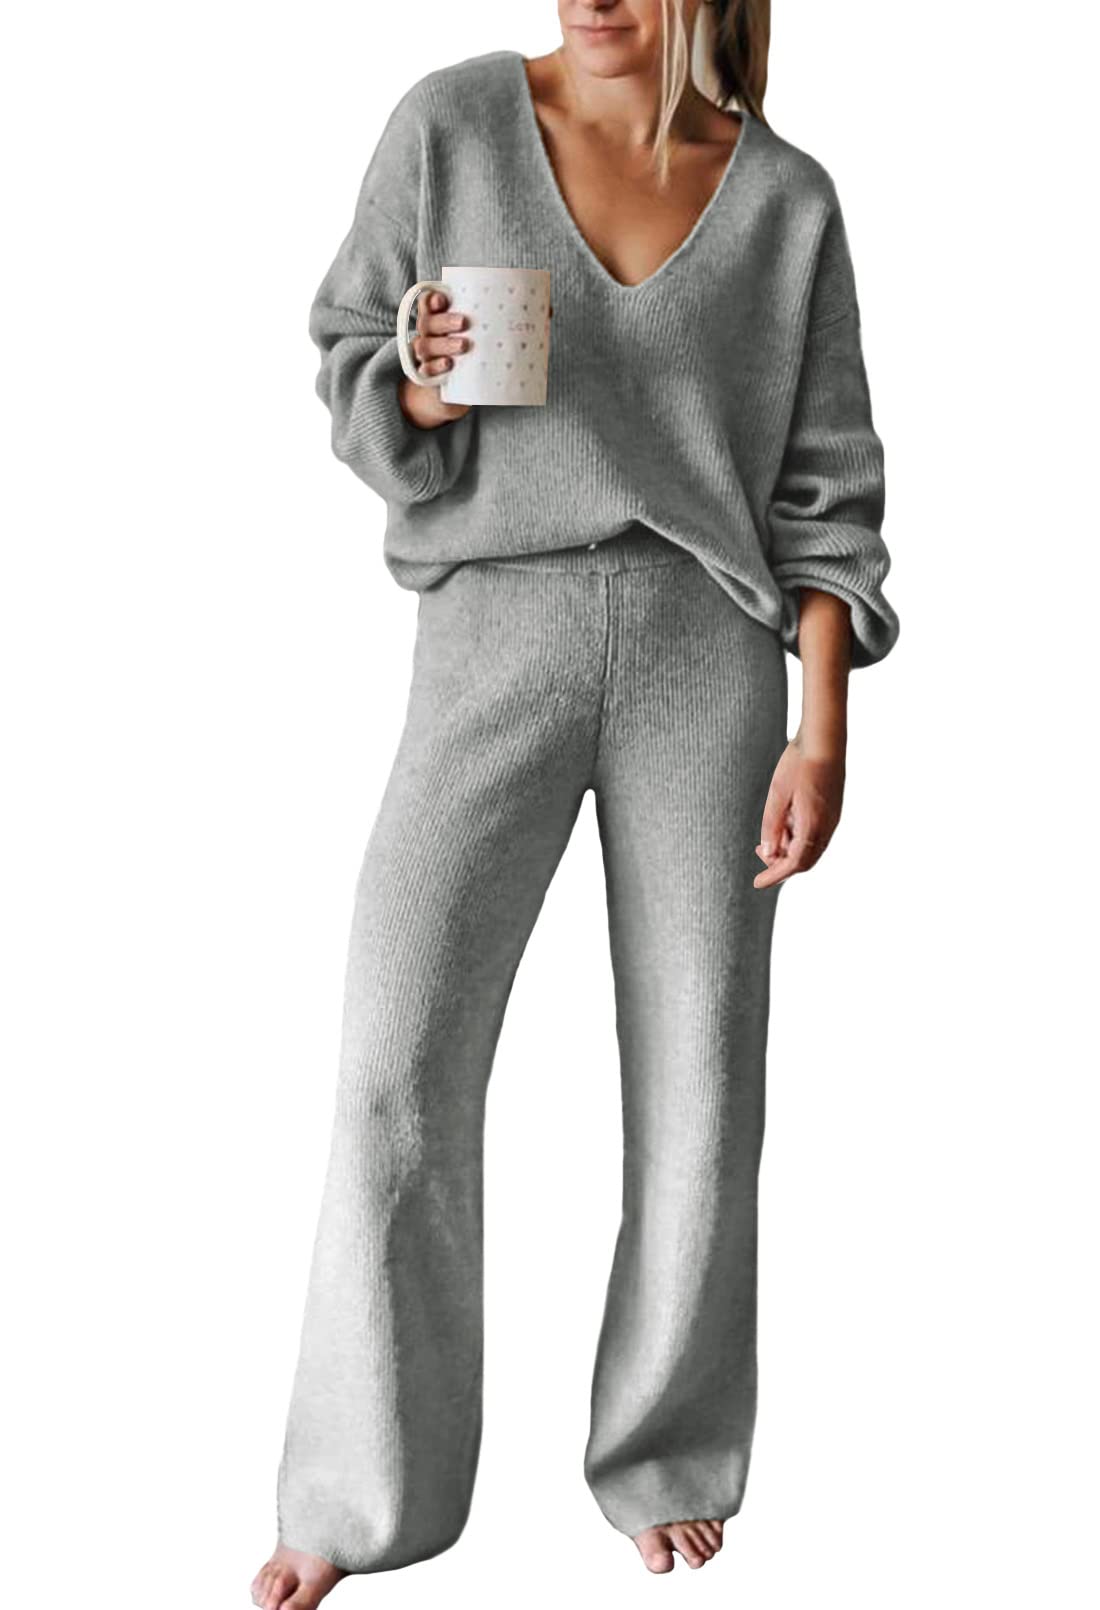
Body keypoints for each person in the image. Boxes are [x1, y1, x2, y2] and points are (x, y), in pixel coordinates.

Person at [252, 2, 899, 1603]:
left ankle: (664, 1456)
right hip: (494, 627)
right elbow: (348, 350)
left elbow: (826, 489)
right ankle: (358, 1489)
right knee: (395, 1052)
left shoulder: (786, 200)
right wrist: (420, 388)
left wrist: (821, 733)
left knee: (701, 1076)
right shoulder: (452, 125)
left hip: (708, 656)